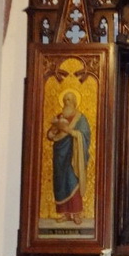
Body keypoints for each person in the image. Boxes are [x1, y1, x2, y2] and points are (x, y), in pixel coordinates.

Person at [46, 90, 90, 225]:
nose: (66, 102)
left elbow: (84, 135)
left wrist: (68, 130)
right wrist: (53, 131)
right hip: (59, 154)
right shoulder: (59, 116)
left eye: (69, 100)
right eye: (65, 100)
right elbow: (50, 135)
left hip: (73, 155)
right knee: (60, 182)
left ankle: (76, 214)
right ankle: (64, 213)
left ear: (75, 102)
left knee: (72, 180)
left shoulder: (80, 118)